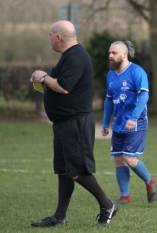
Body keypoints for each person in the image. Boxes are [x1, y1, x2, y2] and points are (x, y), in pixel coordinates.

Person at [30, 20, 118, 227]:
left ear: (58, 37)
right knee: (64, 170)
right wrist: (44, 79)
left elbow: (63, 86)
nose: (49, 38)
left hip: (75, 123)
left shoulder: (76, 56)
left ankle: (108, 205)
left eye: (50, 34)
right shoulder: (68, 57)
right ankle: (59, 217)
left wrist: (43, 77)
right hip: (63, 123)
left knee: (77, 170)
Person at [101, 41, 157, 205]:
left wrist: (133, 118)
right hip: (119, 124)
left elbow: (144, 96)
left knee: (129, 158)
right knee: (118, 158)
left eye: (114, 53)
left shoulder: (137, 72)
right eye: (110, 53)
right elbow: (109, 99)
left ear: (124, 54)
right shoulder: (110, 75)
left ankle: (149, 182)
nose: (110, 56)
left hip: (136, 122)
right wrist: (105, 122)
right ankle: (125, 196)